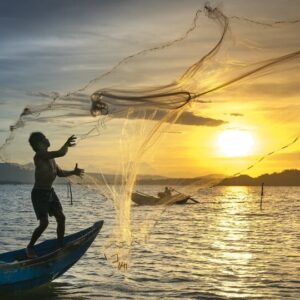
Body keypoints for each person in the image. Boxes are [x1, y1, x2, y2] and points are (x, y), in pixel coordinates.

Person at [26, 132, 84, 258]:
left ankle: (60, 245)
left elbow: (60, 173)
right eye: (44, 138)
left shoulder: (51, 158)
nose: (47, 138)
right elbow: (60, 152)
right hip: (39, 194)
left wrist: (73, 172)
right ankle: (30, 247)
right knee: (44, 223)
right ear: (39, 144)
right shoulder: (40, 156)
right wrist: (67, 144)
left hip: (49, 192)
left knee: (61, 218)